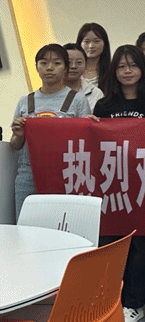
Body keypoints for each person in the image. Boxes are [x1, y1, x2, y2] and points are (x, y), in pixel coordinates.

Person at [92, 45, 145, 322]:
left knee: (143, 247)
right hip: (113, 185)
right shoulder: (104, 105)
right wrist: (88, 126)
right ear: (114, 71)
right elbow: (95, 145)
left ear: (142, 69)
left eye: (133, 65)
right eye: (122, 66)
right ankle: (110, 300)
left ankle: (134, 303)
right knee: (110, 244)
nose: (127, 71)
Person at [9, 44, 91, 219]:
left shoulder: (78, 100)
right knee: (25, 225)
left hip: (66, 173)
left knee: (62, 224)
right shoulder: (25, 101)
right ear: (37, 67)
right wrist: (18, 135)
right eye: (44, 62)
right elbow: (15, 145)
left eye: (57, 63)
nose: (49, 68)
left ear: (66, 68)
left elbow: (85, 143)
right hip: (28, 174)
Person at [63, 42, 104, 111]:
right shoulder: (49, 91)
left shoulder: (95, 93)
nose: (73, 66)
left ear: (86, 64)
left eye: (79, 62)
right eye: (68, 62)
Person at [76, 22, 111, 89]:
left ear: (105, 44)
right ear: (80, 43)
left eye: (96, 41)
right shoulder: (71, 69)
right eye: (86, 41)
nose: (91, 46)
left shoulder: (111, 71)